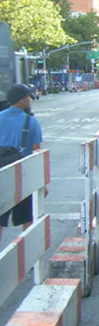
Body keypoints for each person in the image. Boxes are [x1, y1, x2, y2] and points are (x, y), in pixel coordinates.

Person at [0, 84, 44, 239]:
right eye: (27, 97)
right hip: (23, 176)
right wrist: (42, 184)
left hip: (1, 175)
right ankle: (28, 256)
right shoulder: (31, 122)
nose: (30, 100)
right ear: (21, 100)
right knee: (27, 217)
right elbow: (37, 153)